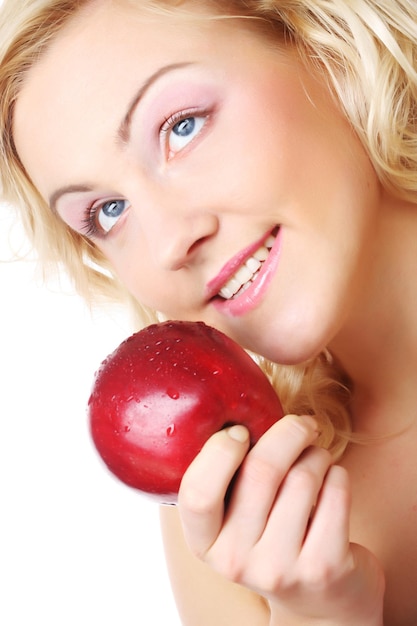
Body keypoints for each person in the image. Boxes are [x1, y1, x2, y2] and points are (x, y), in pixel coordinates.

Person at [1, 0, 416, 623]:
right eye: (108, 212)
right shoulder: (233, 519)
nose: (168, 242)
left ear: (321, 47)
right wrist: (323, 617)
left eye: (182, 126)